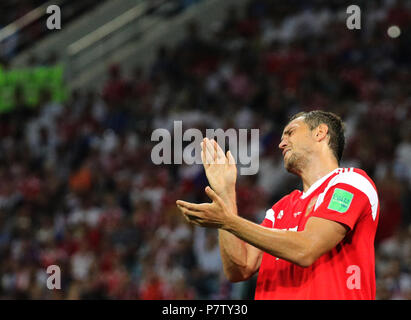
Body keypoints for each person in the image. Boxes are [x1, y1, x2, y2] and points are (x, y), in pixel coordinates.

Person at [176, 110, 380, 300]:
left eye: (290, 133)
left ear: (320, 133)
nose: (281, 143)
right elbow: (240, 268)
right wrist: (225, 194)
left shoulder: (351, 183)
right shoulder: (281, 208)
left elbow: (306, 248)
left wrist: (228, 221)